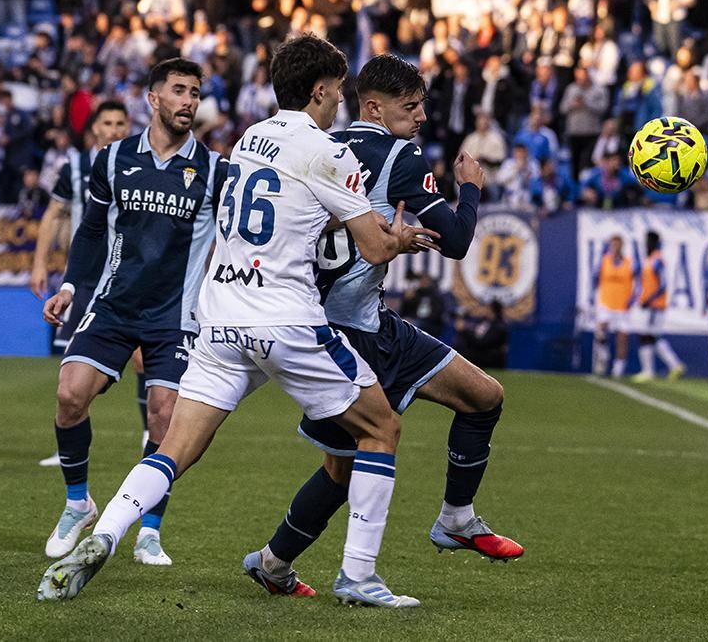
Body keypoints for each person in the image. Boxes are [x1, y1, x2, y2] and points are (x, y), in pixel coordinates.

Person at [38, 34, 439, 607]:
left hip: (220, 318)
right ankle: (358, 576)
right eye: (339, 92)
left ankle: (104, 534)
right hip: (286, 321)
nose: (341, 102)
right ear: (322, 91)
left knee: (173, 448)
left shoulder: (251, 138)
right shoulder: (330, 151)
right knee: (380, 429)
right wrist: (398, 237)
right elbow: (374, 248)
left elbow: (286, 215)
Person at [243, 54, 521, 600]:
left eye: (422, 105)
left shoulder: (325, 145)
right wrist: (470, 189)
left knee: (475, 399)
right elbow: (459, 242)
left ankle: (277, 562)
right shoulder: (399, 154)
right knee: (359, 460)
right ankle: (341, 566)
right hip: (358, 336)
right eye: (410, 106)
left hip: (337, 324)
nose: (420, 117)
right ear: (375, 106)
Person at [37, 58, 228, 567]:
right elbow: (94, 229)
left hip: (176, 315)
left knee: (164, 420)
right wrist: (71, 284)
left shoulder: (213, 169)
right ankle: (78, 502)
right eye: (179, 91)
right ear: (154, 98)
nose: (189, 101)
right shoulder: (114, 158)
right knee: (69, 395)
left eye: (195, 92)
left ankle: (149, 530)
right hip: (113, 304)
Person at [29, 101, 147, 467]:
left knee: (143, 358)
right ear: (93, 128)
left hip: (126, 275)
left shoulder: (137, 165)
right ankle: (68, 445)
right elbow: (54, 213)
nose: (113, 129)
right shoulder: (77, 166)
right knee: (72, 365)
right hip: (83, 279)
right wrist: (39, 263)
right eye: (107, 123)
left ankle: (149, 434)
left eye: (120, 123)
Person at [632, 231, 686, 383]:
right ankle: (675, 365)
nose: (646, 244)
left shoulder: (657, 260)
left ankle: (648, 371)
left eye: (648, 241)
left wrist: (648, 300)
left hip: (654, 306)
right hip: (651, 305)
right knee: (652, 337)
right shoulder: (650, 260)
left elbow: (662, 285)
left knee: (646, 336)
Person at [593, 235, 639, 378]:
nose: (615, 247)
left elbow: (638, 284)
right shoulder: (603, 261)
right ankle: (603, 357)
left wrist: (632, 300)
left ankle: (618, 369)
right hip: (606, 302)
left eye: (617, 245)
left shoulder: (629, 263)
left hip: (622, 306)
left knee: (622, 338)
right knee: (601, 329)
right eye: (613, 245)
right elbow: (594, 278)